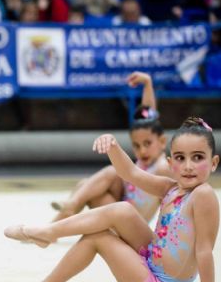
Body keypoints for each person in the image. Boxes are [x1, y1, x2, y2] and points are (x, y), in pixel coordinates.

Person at [5, 117, 221, 282]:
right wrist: (113, 145)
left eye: (198, 157)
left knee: (97, 237)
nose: (188, 166)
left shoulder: (203, 195)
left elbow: (204, 249)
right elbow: (130, 173)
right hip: (153, 261)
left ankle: (46, 279)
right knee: (123, 209)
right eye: (180, 158)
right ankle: (49, 234)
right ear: (170, 162)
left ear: (214, 162)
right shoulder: (170, 188)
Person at [51, 72, 170, 223]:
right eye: (136, 146)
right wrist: (147, 83)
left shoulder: (162, 167)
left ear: (162, 141)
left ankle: (57, 223)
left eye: (147, 144)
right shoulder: (147, 159)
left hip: (132, 223)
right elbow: (148, 116)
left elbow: (174, 202)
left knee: (111, 172)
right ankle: (55, 225)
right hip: (123, 206)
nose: (142, 151)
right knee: (85, 185)